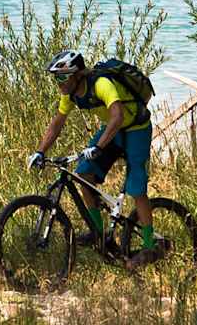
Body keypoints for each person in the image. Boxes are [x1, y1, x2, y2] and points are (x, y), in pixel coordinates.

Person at [27, 49, 161, 270]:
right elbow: (58, 122)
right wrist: (40, 151)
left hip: (136, 128)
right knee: (83, 174)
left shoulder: (101, 84)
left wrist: (98, 147)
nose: (58, 82)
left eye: (61, 77)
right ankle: (98, 233)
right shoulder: (70, 94)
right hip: (113, 130)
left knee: (136, 188)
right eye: (55, 78)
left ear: (76, 74)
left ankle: (150, 245)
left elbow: (117, 115)